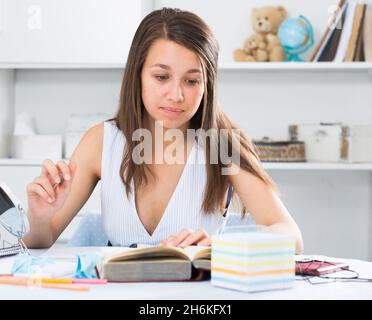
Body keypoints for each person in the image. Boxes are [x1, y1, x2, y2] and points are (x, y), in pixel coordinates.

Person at [23, 8, 303, 253]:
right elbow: (41, 240)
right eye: (161, 77)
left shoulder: (222, 144)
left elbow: (291, 237)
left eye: (192, 81)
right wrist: (39, 218)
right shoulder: (102, 141)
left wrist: (222, 246)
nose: (176, 95)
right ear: (138, 74)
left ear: (208, 85)